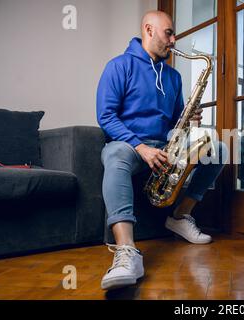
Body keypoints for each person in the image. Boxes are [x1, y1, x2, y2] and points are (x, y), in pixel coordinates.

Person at [96, 10, 226, 291]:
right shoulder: (118, 66)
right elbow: (106, 117)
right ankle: (126, 251)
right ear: (148, 30)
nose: (173, 39)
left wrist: (189, 121)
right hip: (129, 146)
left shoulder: (174, 77)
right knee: (116, 156)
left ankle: (180, 216)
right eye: (168, 33)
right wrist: (141, 147)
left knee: (220, 148)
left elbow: (175, 119)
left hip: (166, 146)